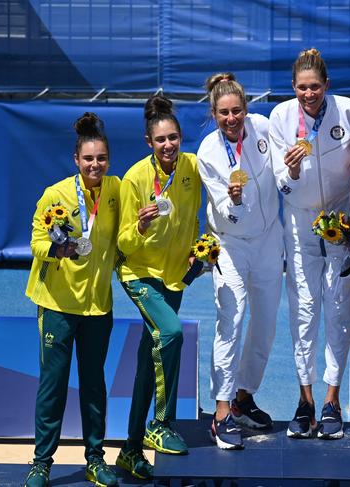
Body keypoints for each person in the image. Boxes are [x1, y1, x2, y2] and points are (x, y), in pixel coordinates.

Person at [269, 48, 350, 439]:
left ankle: (332, 400)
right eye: (301, 88)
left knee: (340, 307)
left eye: (314, 87)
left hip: (340, 220)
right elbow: (281, 182)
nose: (308, 94)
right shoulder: (280, 117)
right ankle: (305, 400)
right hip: (298, 222)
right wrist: (292, 170)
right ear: (293, 87)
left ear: (327, 85)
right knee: (303, 309)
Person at [24, 113, 120, 487]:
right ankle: (41, 463)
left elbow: (125, 234)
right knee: (53, 385)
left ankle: (96, 460)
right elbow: (35, 242)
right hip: (57, 304)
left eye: (100, 159)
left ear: (108, 160)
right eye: (87, 159)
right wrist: (57, 250)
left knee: (94, 385)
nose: (94, 165)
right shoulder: (55, 194)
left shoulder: (115, 191)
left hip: (97, 305)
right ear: (76, 160)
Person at [116, 95, 201, 478]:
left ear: (180, 138)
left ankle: (130, 450)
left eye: (173, 138)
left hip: (175, 277)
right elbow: (123, 244)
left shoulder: (192, 167)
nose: (168, 145)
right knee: (171, 334)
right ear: (149, 142)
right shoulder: (135, 178)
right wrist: (141, 226)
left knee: (148, 365)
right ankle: (160, 424)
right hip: (140, 274)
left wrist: (202, 249)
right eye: (160, 140)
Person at [197, 73, 283, 450]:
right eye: (224, 113)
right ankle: (221, 413)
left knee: (265, 323)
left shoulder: (263, 128)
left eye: (237, 111)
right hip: (230, 243)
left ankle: (243, 397)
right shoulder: (207, 152)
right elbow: (227, 213)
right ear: (214, 114)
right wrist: (233, 199)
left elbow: (283, 174)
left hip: (268, 240)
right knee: (230, 321)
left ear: (246, 109)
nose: (232, 119)